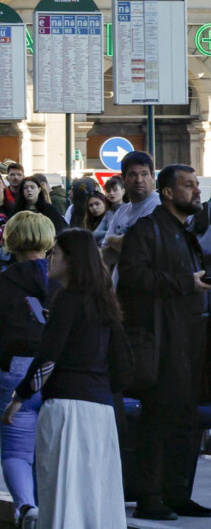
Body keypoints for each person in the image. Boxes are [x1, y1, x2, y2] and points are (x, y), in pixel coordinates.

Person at [2, 228, 127, 529]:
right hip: (100, 410)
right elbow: (122, 363)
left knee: (62, 492)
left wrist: (18, 398)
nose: (49, 257)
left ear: (71, 260)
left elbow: (47, 359)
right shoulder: (104, 302)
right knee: (95, 494)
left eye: (55, 252)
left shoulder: (67, 300)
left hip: (67, 409)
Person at [117, 164, 211, 520]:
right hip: (161, 341)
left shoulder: (185, 232)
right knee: (158, 419)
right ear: (168, 192)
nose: (196, 191)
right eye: (188, 186)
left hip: (190, 340)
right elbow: (133, 277)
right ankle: (151, 496)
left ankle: (177, 493)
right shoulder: (148, 229)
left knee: (186, 421)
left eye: (195, 185)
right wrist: (185, 282)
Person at [0, 211, 57, 526]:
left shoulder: (1, 281)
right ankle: (52, 512)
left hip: (15, 370)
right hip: (56, 370)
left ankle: (28, 508)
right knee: (52, 455)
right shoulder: (62, 278)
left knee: (17, 453)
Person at [100, 151, 159, 272]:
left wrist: (112, 239)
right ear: (123, 178)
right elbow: (106, 253)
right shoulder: (122, 210)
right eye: (133, 174)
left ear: (152, 177)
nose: (139, 180)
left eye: (144, 174)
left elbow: (138, 246)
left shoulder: (158, 206)